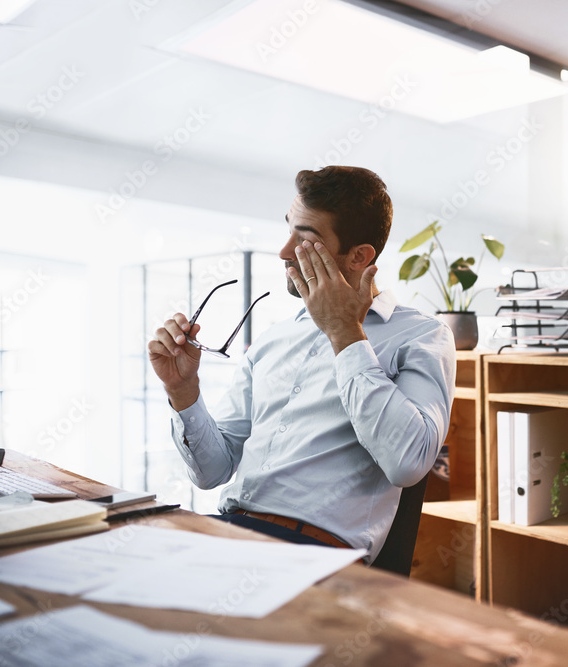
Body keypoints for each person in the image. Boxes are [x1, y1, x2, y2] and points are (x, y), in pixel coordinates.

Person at [148, 166, 456, 563]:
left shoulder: (420, 335)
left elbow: (408, 463)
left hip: (311, 553)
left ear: (359, 256)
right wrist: (182, 391)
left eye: (305, 239)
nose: (284, 251)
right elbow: (212, 471)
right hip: (229, 530)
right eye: (288, 229)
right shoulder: (274, 339)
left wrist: (345, 334)